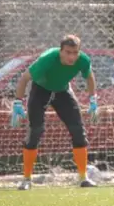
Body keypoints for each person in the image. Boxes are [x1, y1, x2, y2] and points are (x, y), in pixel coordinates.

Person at [11, 34, 99, 190]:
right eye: (68, 52)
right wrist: (18, 102)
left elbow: (89, 76)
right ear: (61, 51)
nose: (72, 56)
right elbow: (24, 78)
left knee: (78, 130)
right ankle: (26, 179)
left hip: (62, 91)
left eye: (75, 52)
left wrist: (93, 100)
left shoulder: (83, 60)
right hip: (40, 91)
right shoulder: (47, 59)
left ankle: (83, 178)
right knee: (35, 131)